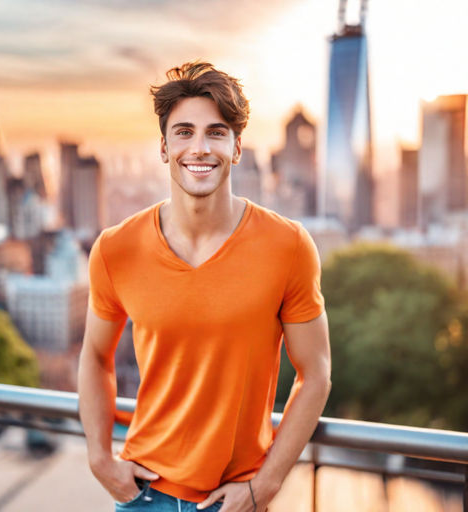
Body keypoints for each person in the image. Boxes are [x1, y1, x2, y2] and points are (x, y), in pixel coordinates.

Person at [78, 61, 331, 512]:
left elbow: (316, 374)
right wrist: (100, 458)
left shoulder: (288, 245)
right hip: (142, 495)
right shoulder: (115, 249)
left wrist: (265, 486)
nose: (199, 148)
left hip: (236, 500)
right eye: (184, 132)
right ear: (164, 147)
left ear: (236, 148)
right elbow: (96, 356)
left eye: (216, 132)